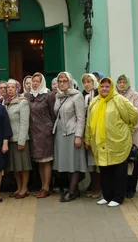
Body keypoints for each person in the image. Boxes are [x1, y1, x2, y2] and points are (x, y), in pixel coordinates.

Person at [85, 77, 138, 207]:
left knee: (119, 171)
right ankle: (107, 196)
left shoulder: (119, 100)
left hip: (118, 142)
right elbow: (89, 123)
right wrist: (87, 139)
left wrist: (129, 129)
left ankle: (118, 197)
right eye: (102, 86)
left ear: (111, 87)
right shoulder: (95, 102)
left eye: (107, 87)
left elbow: (134, 115)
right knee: (104, 171)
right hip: (101, 143)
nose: (104, 89)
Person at [52, 72, 87, 202]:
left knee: (74, 162)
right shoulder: (58, 96)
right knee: (66, 162)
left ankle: (71, 191)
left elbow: (80, 118)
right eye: (60, 81)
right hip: (61, 133)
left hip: (72, 132)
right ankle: (75, 189)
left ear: (70, 81)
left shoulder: (77, 96)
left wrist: (78, 136)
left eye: (65, 81)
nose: (62, 83)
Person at [26, 73, 55, 198]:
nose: (35, 83)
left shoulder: (48, 95)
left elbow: (53, 113)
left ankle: (46, 187)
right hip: (34, 133)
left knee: (46, 160)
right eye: (33, 81)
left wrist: (49, 128)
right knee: (39, 161)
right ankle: (42, 186)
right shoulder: (29, 95)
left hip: (45, 133)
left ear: (42, 82)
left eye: (37, 81)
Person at [116, 74, 138, 198]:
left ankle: (131, 188)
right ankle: (123, 186)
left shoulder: (135, 95)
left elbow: (137, 114)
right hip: (119, 134)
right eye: (119, 82)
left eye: (124, 82)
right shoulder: (115, 96)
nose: (122, 84)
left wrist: (131, 129)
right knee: (122, 162)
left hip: (133, 132)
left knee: (133, 161)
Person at [5, 79, 32, 199]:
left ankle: (24, 188)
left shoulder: (22, 102)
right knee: (16, 167)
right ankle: (18, 187)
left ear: (18, 89)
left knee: (23, 166)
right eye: (8, 87)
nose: (10, 89)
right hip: (10, 139)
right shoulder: (6, 102)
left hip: (20, 139)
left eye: (12, 87)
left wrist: (21, 141)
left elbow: (25, 123)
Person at [81, 73, 101, 198]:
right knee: (90, 162)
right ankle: (92, 184)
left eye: (89, 82)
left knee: (97, 161)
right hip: (86, 131)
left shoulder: (98, 96)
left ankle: (97, 188)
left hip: (97, 132)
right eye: (85, 82)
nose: (87, 84)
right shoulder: (82, 95)